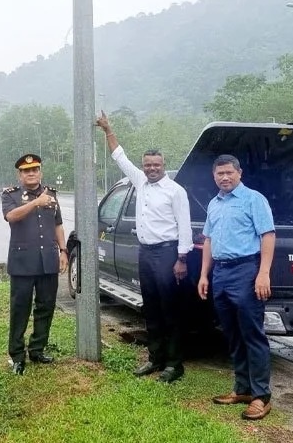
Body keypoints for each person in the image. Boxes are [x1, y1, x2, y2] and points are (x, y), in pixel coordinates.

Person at [95, 111, 192, 383]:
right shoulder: (139, 182)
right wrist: (108, 130)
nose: (151, 168)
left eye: (156, 165)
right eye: (147, 165)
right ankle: (155, 358)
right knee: (151, 308)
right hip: (145, 253)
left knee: (169, 309)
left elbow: (184, 227)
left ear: (163, 165)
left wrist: (181, 259)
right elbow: (120, 157)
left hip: (168, 253)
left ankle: (175, 365)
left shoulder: (175, 191)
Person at [197, 155, 276, 421]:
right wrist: (204, 275)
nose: (225, 177)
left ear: (239, 173)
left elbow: (268, 235)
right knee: (232, 334)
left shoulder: (254, 199)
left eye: (229, 172)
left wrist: (263, 273)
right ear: (214, 176)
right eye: (220, 173)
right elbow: (208, 240)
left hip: (246, 270)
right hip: (220, 272)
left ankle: (261, 396)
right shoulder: (214, 203)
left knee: (252, 334)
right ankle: (242, 389)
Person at [1, 154, 68, 375]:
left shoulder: (52, 194)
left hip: (48, 260)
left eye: (35, 169)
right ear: (19, 174)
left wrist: (63, 250)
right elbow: (11, 216)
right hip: (22, 263)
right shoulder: (11, 195)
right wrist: (36, 203)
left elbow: (58, 225)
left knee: (46, 307)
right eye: (26, 171)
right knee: (20, 310)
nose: (31, 173)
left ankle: (37, 349)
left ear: (40, 172)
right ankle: (17, 356)